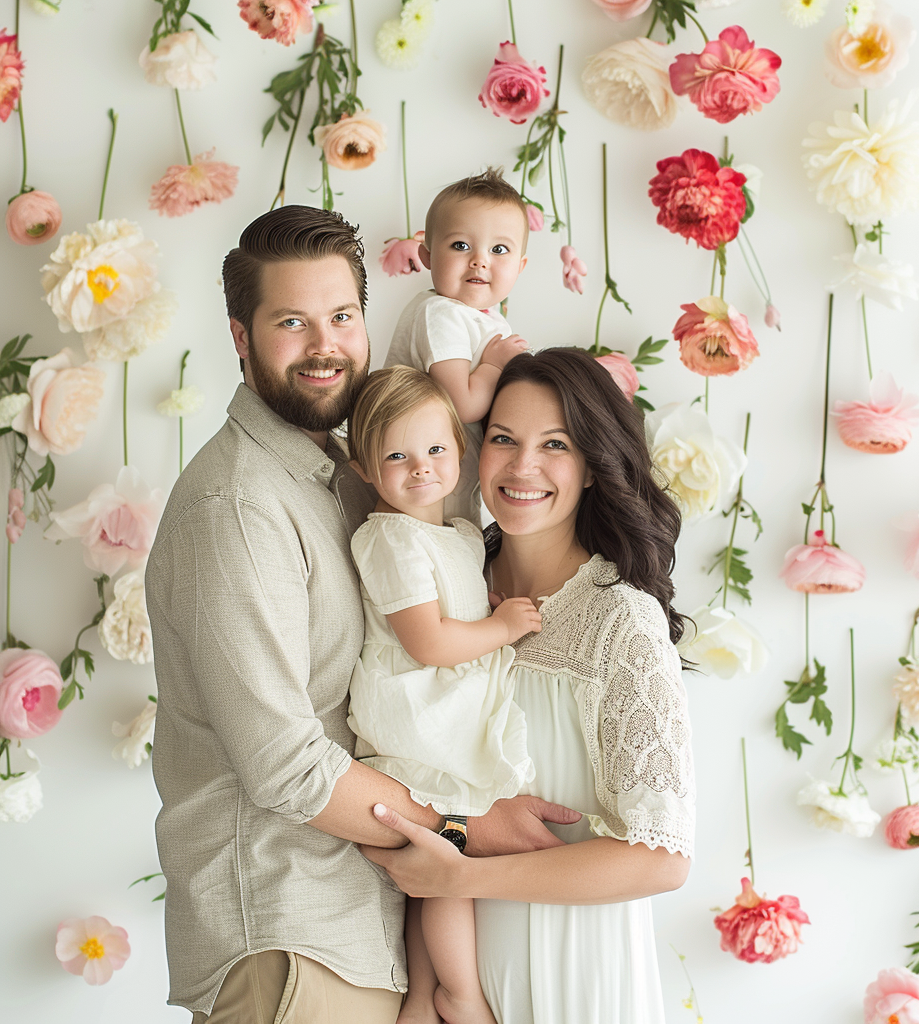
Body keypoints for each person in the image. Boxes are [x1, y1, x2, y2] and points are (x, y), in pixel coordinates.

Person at [145, 206, 580, 1024]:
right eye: (291, 322)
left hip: (357, 925)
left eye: (342, 317)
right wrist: (464, 825)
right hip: (288, 937)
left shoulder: (352, 480)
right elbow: (285, 765)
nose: (325, 346)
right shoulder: (238, 505)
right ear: (240, 336)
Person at [362, 347, 696, 1024]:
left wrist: (464, 874)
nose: (522, 467)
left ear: (593, 466)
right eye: (504, 440)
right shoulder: (440, 584)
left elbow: (661, 858)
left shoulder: (618, 618)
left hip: (574, 974)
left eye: (555, 445)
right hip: (447, 974)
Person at [347, 365, 541, 1024]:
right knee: (449, 856)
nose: (420, 468)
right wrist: (500, 626)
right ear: (365, 466)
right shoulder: (388, 538)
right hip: (418, 713)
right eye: (396, 455)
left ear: (459, 451)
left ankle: (423, 996)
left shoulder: (457, 535)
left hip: (448, 705)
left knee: (433, 867)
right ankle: (459, 994)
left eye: (434, 449)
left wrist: (485, 620)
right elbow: (428, 641)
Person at [384, 167, 531, 527]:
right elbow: (463, 405)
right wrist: (495, 366)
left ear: (520, 266)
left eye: (499, 249)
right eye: (461, 245)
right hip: (422, 481)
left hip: (453, 479)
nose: (480, 259)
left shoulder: (485, 318)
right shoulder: (441, 314)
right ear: (428, 256)